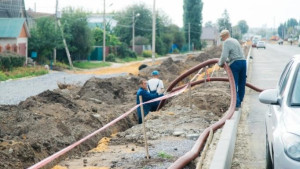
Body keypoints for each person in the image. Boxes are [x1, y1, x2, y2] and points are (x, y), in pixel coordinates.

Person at [218, 30, 246, 109]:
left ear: (224, 36)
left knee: (233, 84)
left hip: (235, 64)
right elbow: (236, 54)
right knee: (241, 83)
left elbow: (224, 56)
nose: (222, 39)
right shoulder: (235, 40)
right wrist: (228, 60)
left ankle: (236, 104)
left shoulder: (226, 42)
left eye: (222, 37)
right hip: (243, 62)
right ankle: (239, 101)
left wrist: (220, 63)